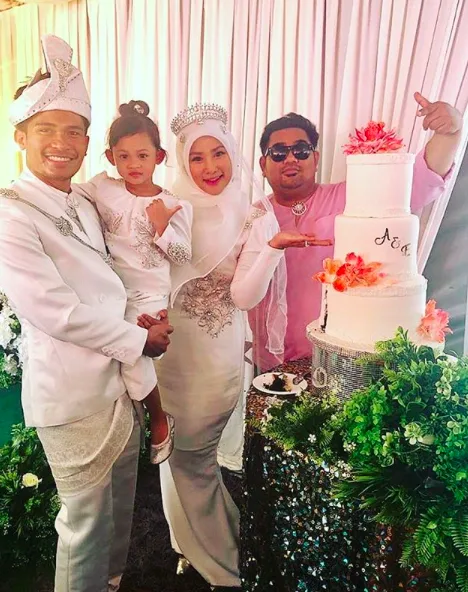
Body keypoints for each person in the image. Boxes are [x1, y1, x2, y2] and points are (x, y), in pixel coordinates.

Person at [0, 35, 172, 592]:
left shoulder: (83, 200)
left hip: (117, 381)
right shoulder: (11, 213)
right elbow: (56, 311)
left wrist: (142, 320)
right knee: (84, 523)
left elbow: (114, 276)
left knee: (121, 505)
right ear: (21, 135)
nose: (62, 142)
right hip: (73, 393)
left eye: (74, 130)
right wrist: (139, 341)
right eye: (46, 129)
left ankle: (111, 582)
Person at [136, 103, 331, 590]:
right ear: (181, 160)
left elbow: (244, 296)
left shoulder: (252, 212)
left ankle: (226, 565)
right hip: (166, 354)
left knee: (195, 461)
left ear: (234, 153)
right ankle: (189, 545)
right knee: (173, 459)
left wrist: (272, 249)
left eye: (218, 153)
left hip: (214, 357)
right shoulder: (165, 206)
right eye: (196, 157)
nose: (210, 167)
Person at [249, 93, 464, 371]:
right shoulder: (251, 217)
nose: (290, 158)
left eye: (301, 150)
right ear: (263, 165)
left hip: (344, 361)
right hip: (272, 360)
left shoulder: (352, 196)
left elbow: (417, 182)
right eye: (278, 153)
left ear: (315, 158)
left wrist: (450, 133)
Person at [76, 99, 193, 464]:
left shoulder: (174, 204)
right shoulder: (103, 188)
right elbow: (65, 197)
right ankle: (139, 423)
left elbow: (183, 256)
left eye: (142, 156)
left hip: (150, 295)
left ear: (159, 157)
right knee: (113, 355)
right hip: (111, 290)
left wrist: (161, 227)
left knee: (132, 353)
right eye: (123, 156)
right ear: (110, 158)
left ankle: (157, 419)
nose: (133, 165)